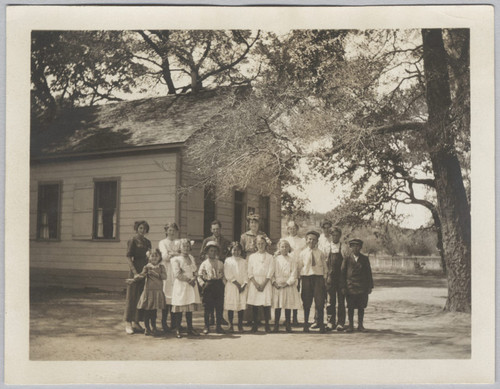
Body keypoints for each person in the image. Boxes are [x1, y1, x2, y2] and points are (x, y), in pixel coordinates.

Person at [126, 248, 167, 336]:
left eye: (156, 256)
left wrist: (156, 274)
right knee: (148, 311)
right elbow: (141, 275)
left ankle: (154, 327)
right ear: (149, 257)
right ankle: (147, 328)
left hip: (157, 292)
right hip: (149, 292)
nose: (154, 258)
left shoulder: (161, 267)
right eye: (152, 256)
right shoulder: (147, 267)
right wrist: (133, 280)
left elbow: (164, 277)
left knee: (154, 311)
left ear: (160, 257)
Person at [240, 213, 272, 324]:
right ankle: (249, 318)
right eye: (251, 222)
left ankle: (261, 318)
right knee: (251, 291)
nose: (253, 224)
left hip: (262, 262)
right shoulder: (244, 236)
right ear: (249, 224)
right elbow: (242, 251)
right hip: (250, 262)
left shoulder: (263, 235)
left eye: (256, 222)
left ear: (259, 224)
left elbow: (268, 247)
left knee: (262, 292)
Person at [200, 220, 231, 326]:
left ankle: (219, 319)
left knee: (219, 301)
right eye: (213, 229)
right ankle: (210, 319)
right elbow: (201, 254)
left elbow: (229, 254)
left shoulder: (226, 241)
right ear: (211, 230)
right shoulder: (207, 240)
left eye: (217, 229)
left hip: (220, 270)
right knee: (208, 302)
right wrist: (209, 259)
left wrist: (220, 259)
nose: (216, 231)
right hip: (209, 271)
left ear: (220, 229)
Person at [124, 220, 152, 335]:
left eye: (145, 229)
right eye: (140, 228)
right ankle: (128, 322)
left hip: (145, 269)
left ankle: (137, 322)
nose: (143, 230)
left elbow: (150, 256)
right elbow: (128, 258)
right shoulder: (133, 240)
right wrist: (135, 272)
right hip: (135, 269)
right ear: (137, 229)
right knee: (132, 296)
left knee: (141, 296)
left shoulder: (147, 242)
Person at [297, 230, 328, 333]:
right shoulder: (302, 253)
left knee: (319, 302)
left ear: (317, 241)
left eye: (314, 240)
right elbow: (299, 267)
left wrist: (324, 280)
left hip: (318, 278)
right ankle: (306, 324)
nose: (311, 241)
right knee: (306, 302)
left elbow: (324, 267)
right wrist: (299, 280)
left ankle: (321, 325)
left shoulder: (321, 253)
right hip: (306, 278)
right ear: (306, 240)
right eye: (310, 239)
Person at [341, 238, 374, 333]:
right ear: (350, 247)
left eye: (358, 246)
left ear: (360, 247)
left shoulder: (364, 259)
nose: (355, 248)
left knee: (361, 307)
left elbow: (368, 273)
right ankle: (350, 326)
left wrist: (370, 286)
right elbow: (342, 274)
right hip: (350, 286)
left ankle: (360, 325)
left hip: (362, 287)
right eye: (353, 246)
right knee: (350, 307)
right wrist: (343, 287)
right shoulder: (347, 259)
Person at [171, 239, 201, 338]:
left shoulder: (191, 257)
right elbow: (177, 274)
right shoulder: (176, 259)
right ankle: (178, 329)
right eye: (184, 246)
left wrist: (195, 277)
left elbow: (195, 270)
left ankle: (190, 328)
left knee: (189, 308)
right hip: (182, 284)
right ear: (180, 247)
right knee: (180, 307)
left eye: (188, 246)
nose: (186, 248)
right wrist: (189, 280)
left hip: (191, 285)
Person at [272, 239, 301, 333]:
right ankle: (276, 325)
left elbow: (294, 273)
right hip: (278, 285)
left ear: (289, 248)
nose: (284, 249)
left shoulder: (292, 260)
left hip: (288, 285)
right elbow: (271, 272)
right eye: (282, 247)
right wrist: (274, 282)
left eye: (286, 247)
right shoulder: (275, 259)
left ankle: (288, 325)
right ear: (279, 248)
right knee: (278, 306)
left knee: (288, 306)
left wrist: (288, 283)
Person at [246, 235, 275, 333]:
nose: (260, 245)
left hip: (265, 282)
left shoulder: (270, 257)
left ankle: (267, 324)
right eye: (258, 244)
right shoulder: (252, 257)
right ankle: (255, 325)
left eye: (262, 243)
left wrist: (264, 283)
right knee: (255, 304)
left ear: (265, 244)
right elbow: (249, 271)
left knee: (266, 304)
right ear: (256, 245)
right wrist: (255, 283)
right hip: (255, 282)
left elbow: (271, 271)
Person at [198, 241, 226, 334]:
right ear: (207, 252)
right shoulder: (204, 263)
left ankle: (218, 326)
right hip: (208, 285)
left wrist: (223, 284)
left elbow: (224, 275)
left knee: (219, 306)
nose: (213, 253)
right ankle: (206, 326)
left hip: (218, 285)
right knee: (207, 307)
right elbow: (199, 276)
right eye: (211, 251)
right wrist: (203, 284)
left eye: (214, 251)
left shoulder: (220, 263)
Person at [311, 219, 333, 329]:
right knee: (318, 296)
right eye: (324, 227)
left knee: (329, 297)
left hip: (330, 269)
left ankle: (330, 321)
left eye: (329, 227)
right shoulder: (318, 240)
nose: (327, 229)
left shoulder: (333, 240)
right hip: (318, 270)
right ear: (322, 228)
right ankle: (317, 320)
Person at [158, 222, 180, 333]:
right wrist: (175, 254)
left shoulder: (178, 242)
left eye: (174, 230)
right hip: (167, 270)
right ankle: (164, 322)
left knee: (175, 295)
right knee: (166, 296)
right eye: (169, 230)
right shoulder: (162, 242)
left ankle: (174, 323)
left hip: (175, 270)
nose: (171, 232)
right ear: (166, 231)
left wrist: (173, 253)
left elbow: (182, 254)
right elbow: (165, 256)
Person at [283, 220, 306, 325]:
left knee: (296, 293)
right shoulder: (284, 240)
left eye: (294, 228)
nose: (292, 230)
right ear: (287, 229)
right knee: (288, 293)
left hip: (299, 269)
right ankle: (287, 318)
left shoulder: (302, 241)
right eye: (290, 228)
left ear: (297, 229)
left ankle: (295, 318)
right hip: (287, 270)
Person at [223, 242, 248, 333]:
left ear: (241, 251)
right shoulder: (228, 261)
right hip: (232, 286)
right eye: (234, 250)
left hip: (242, 286)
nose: (236, 252)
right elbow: (228, 274)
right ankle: (231, 325)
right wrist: (237, 284)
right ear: (231, 250)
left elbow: (246, 274)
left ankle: (240, 325)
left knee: (240, 306)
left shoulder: (244, 261)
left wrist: (244, 284)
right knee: (231, 306)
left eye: (238, 250)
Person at [326, 226, 346, 331]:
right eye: (333, 235)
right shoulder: (327, 247)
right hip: (330, 278)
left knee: (341, 301)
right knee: (330, 301)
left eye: (337, 235)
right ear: (330, 236)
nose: (335, 237)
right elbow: (324, 263)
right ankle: (330, 322)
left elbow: (346, 263)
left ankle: (341, 323)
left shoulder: (343, 247)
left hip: (341, 278)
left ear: (340, 236)